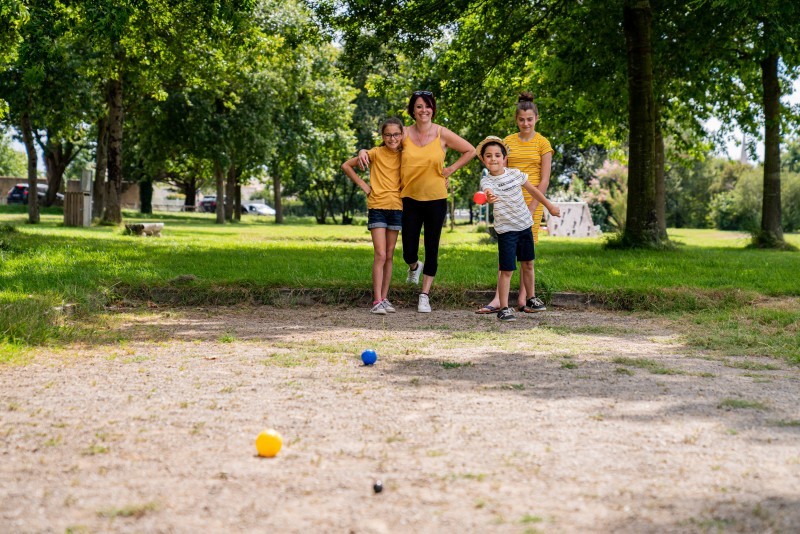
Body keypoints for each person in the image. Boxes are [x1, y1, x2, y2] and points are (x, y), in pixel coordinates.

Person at [359, 91, 475, 313]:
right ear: (412, 110)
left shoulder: (442, 133)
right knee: (407, 251)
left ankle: (424, 295)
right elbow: (384, 146)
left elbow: (470, 150)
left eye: (428, 106)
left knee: (432, 247)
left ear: (433, 109)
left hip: (436, 199)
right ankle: (414, 266)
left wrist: (450, 169)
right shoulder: (404, 134)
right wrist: (363, 150)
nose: (424, 110)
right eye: (419, 107)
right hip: (409, 199)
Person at [476, 92, 555, 315]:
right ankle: (500, 301)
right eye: (522, 119)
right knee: (508, 254)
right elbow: (499, 172)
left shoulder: (543, 143)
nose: (526, 123)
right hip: (509, 199)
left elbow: (545, 178)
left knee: (527, 255)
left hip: (534, 197)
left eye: (530, 119)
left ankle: (524, 298)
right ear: (516, 120)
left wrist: (532, 207)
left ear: (536, 118)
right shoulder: (508, 142)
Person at [342, 118, 404, 315]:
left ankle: (385, 298)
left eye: (395, 134)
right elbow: (346, 166)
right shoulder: (375, 153)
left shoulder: (406, 155)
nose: (392, 138)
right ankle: (376, 300)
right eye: (388, 135)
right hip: (377, 206)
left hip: (397, 208)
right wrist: (365, 186)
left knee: (390, 255)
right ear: (382, 136)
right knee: (380, 254)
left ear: (402, 135)